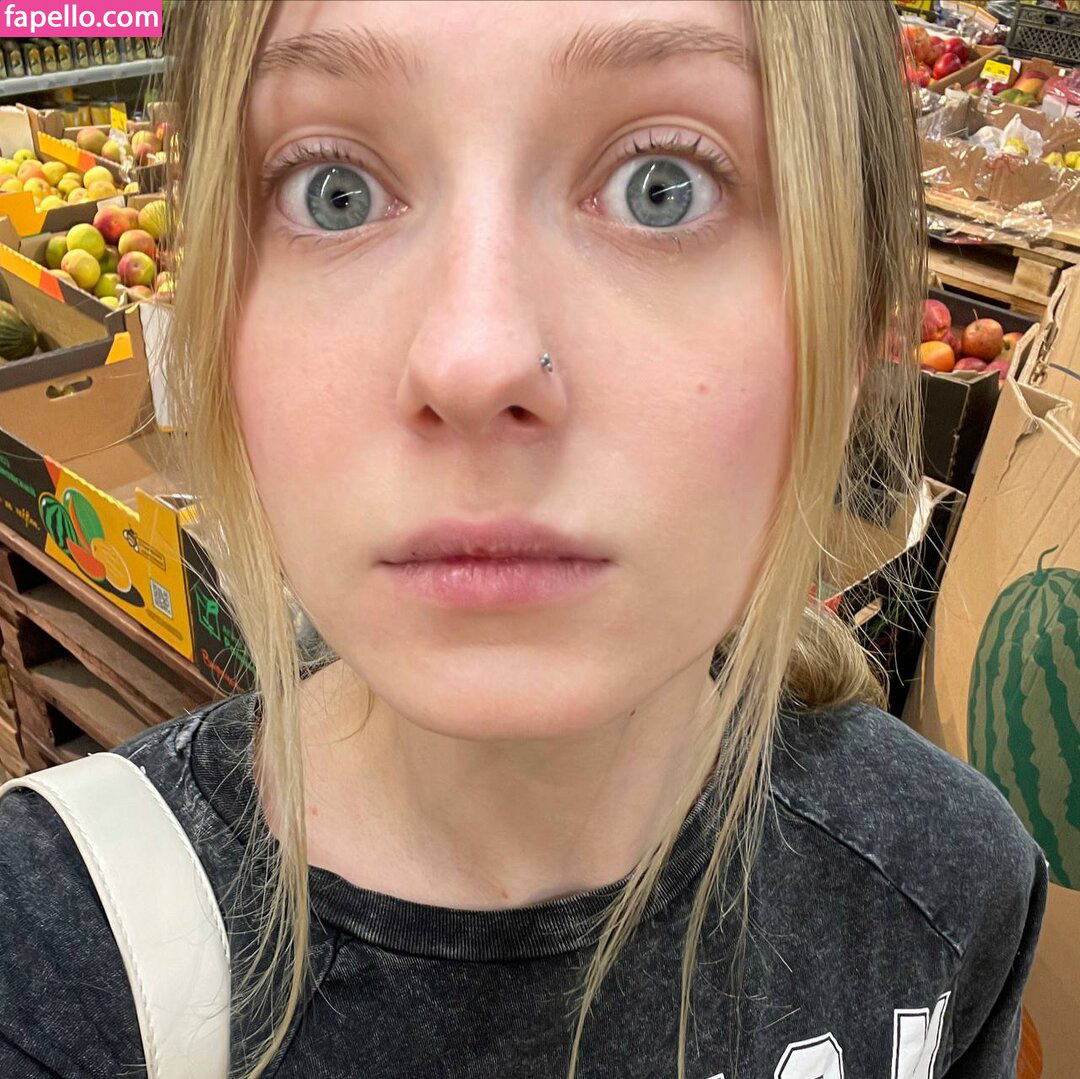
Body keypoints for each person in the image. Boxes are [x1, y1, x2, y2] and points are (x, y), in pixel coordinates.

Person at [0, 2, 1048, 1077]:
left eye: (662, 186)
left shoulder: (948, 887)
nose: (474, 360)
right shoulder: (45, 977)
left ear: (858, 321)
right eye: (333, 189)